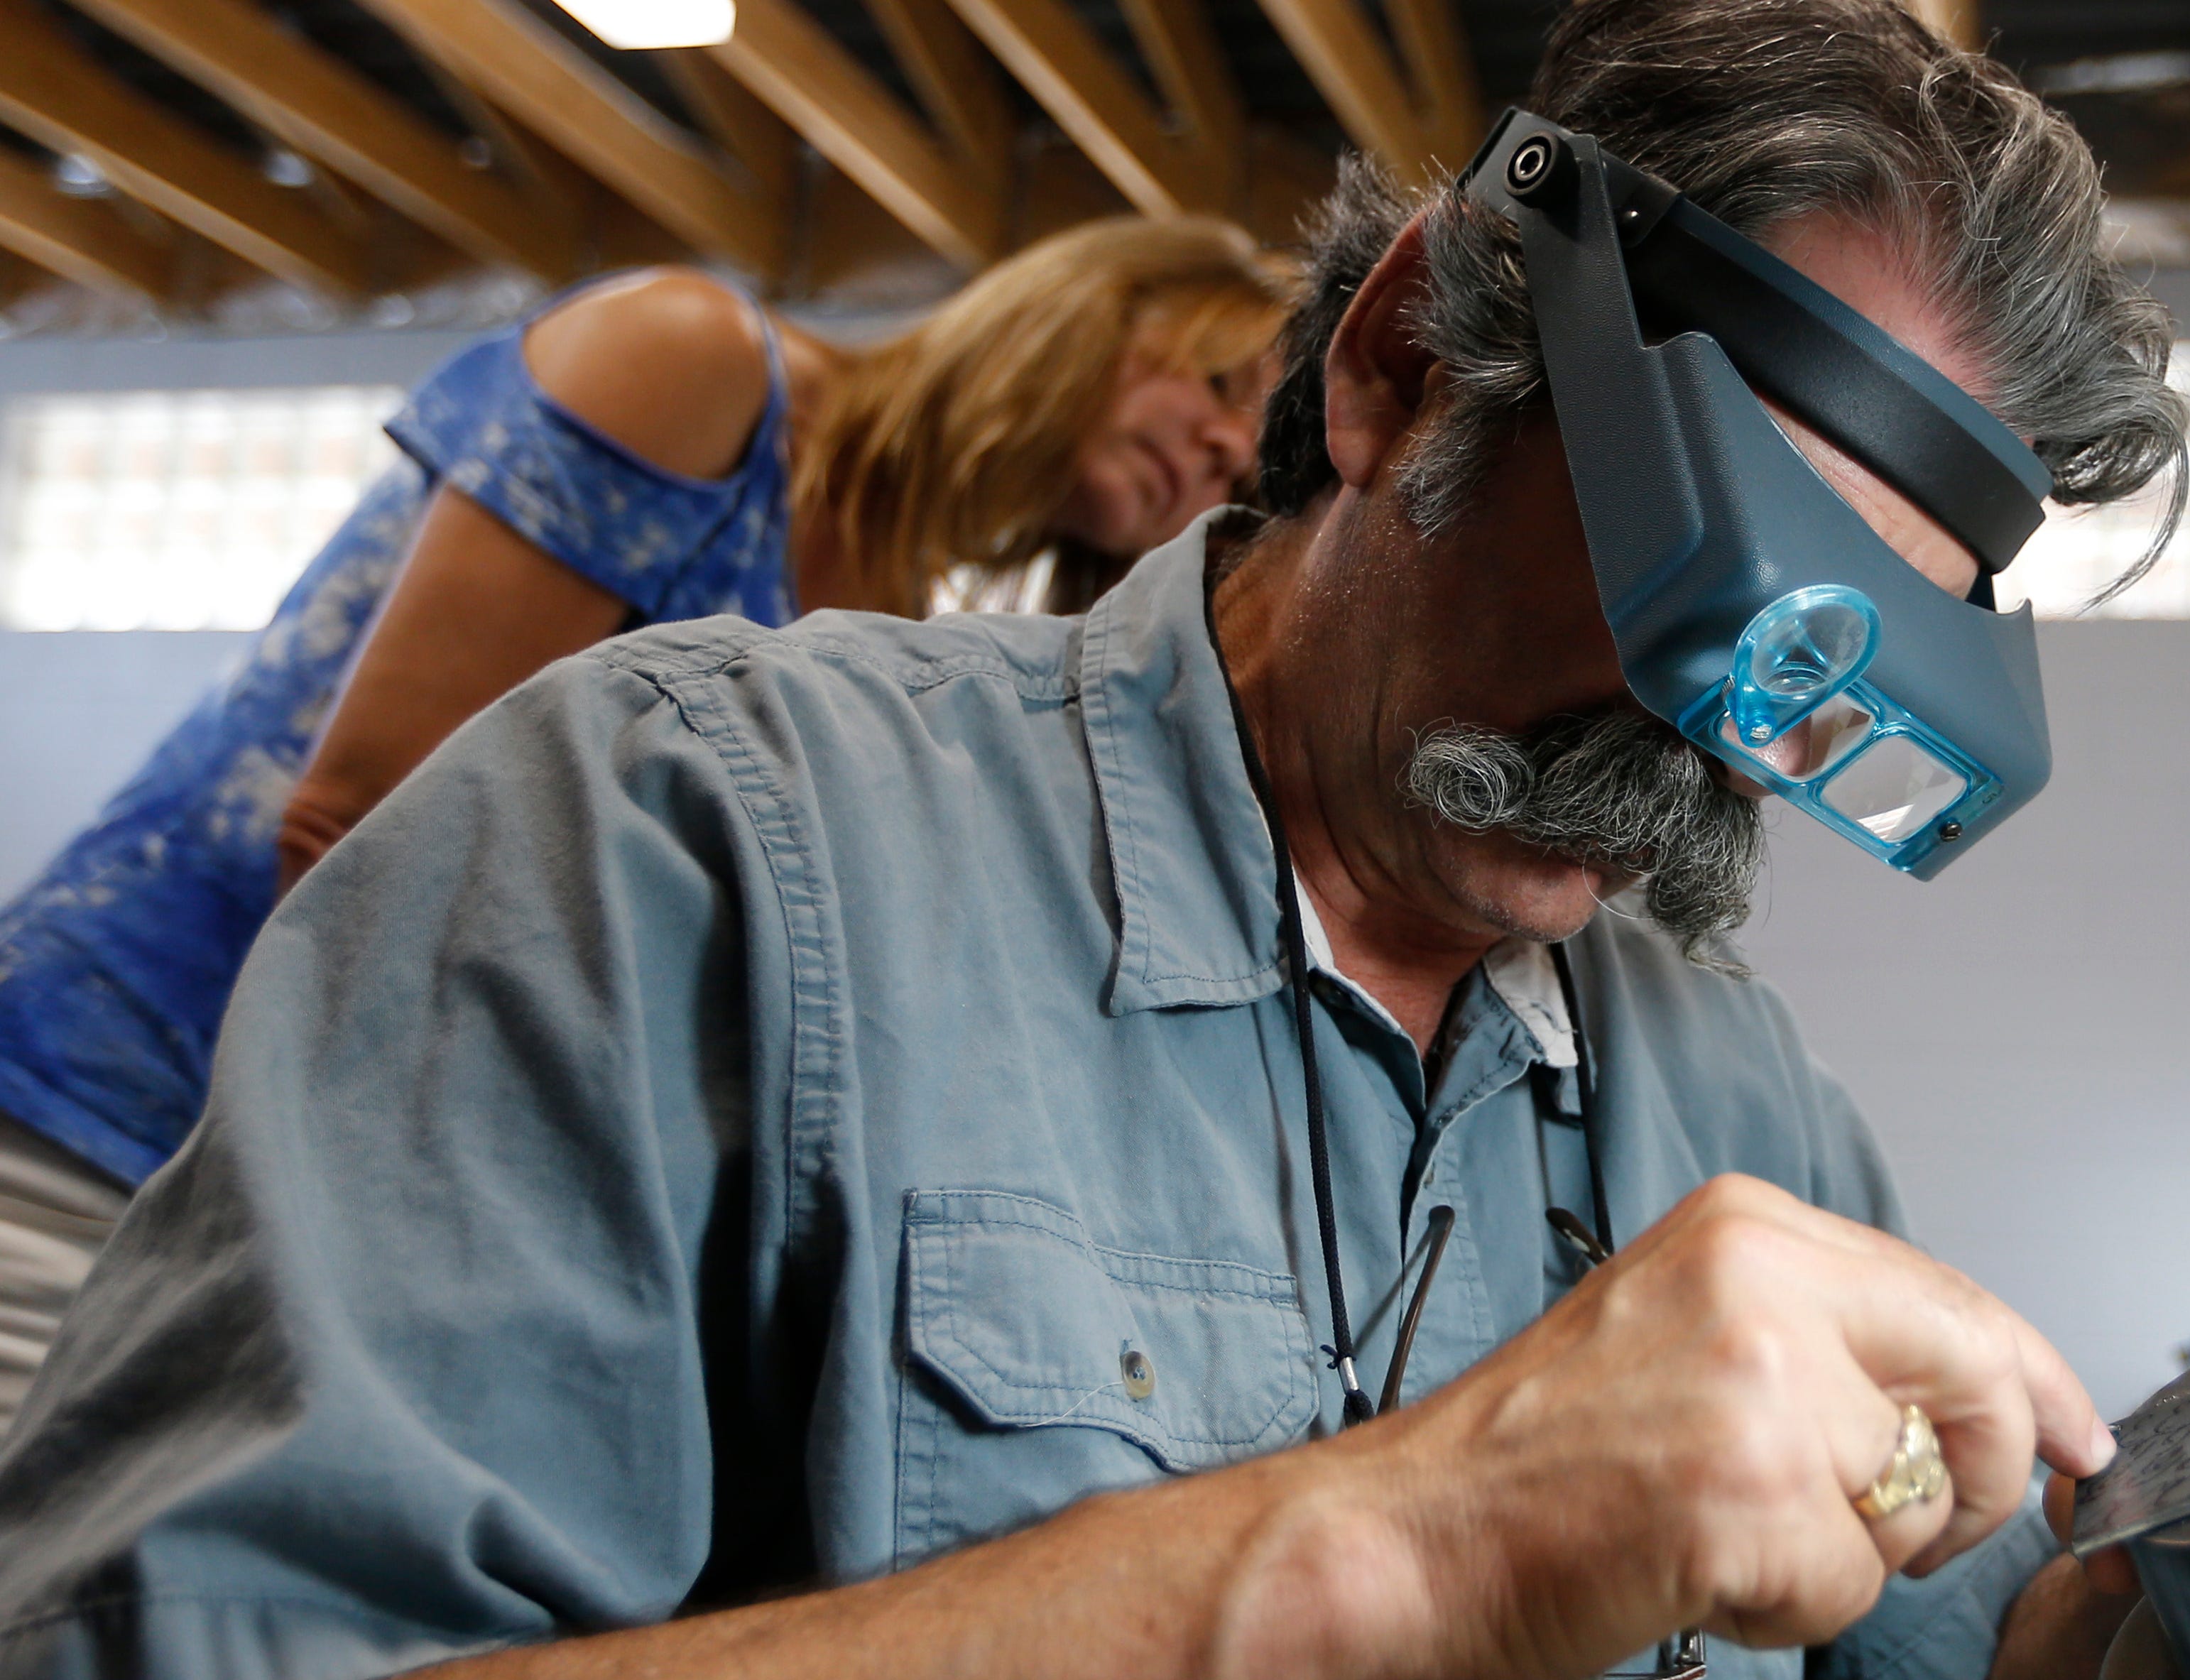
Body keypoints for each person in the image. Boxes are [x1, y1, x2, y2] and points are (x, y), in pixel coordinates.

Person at [0, 1, 2190, 1680]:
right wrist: (1395, 1547)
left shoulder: (1723, 1091)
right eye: (1710, 581)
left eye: (1832, 679)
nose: (1712, 744)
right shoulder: (691, 848)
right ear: (1401, 370)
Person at [0, 219, 1292, 1431]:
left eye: (1257, 442)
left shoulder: (898, 624)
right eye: (1228, 384)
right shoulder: (701, 364)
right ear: (1094, 310)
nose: (1236, 451)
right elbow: (354, 829)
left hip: (314, 1201)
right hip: (107, 1106)